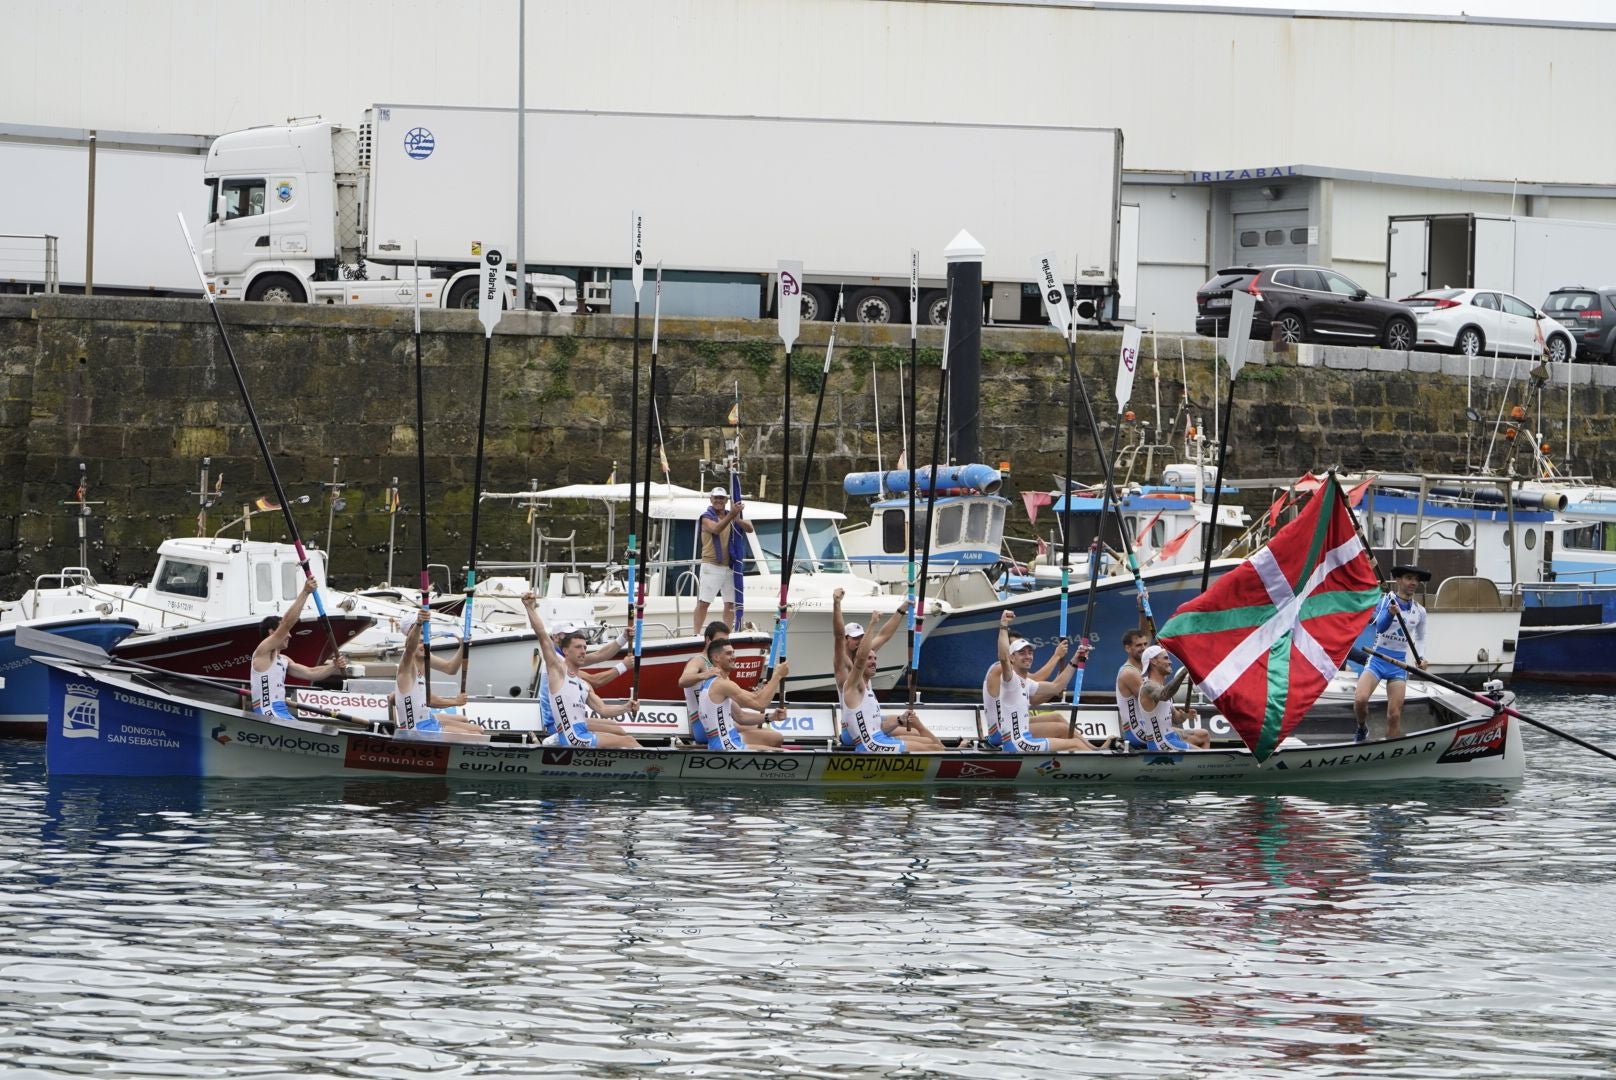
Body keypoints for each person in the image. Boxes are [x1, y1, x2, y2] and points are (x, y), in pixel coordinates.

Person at [522, 593, 644, 748]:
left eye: (585, 647)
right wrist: (530, 608)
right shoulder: (557, 668)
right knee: (628, 741)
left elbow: (603, 709)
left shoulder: (582, 683)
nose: (584, 651)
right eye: (578, 647)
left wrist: (626, 707)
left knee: (622, 734)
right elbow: (542, 635)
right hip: (571, 735)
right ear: (565, 650)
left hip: (580, 730)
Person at [983, 611, 1104, 752]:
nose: (1028, 656)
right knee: (1074, 743)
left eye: (1030, 652)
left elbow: (1057, 686)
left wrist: (1075, 660)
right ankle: (1103, 763)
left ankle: (1096, 752)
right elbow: (1004, 657)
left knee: (1060, 721)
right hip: (1009, 738)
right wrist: (1003, 626)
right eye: (1021, 652)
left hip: (1020, 735)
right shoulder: (1005, 673)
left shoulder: (1024, 682)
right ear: (1012, 656)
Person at [842, 605, 946, 753]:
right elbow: (860, 658)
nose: (874, 661)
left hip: (875, 734)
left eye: (875, 658)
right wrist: (872, 623)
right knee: (931, 749)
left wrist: (902, 609)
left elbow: (884, 636)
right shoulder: (850, 674)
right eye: (870, 659)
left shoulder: (866, 676)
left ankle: (947, 752)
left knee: (928, 742)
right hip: (864, 740)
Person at [250, 576, 348, 719]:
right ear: (272, 632)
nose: (290, 636)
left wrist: (333, 666)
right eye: (286, 633)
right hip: (267, 713)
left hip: (281, 712)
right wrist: (305, 592)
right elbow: (286, 624)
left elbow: (310, 672)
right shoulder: (263, 652)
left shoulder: (283, 660)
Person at [1353, 564, 1431, 741]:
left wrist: (1421, 657)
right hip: (1377, 659)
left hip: (1398, 664)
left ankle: (1390, 748)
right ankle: (1361, 727)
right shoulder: (1385, 601)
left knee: (1394, 715)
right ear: (1398, 580)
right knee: (1360, 699)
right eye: (1409, 578)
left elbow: (1420, 638)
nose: (1413, 583)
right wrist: (1389, 613)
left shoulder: (1420, 611)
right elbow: (1380, 627)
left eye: (1416, 580)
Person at [393, 612, 486, 735]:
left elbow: (450, 669)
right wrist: (455, 702)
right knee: (476, 735)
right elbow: (430, 700)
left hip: (426, 718)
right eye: (420, 642)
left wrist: (463, 647)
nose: (425, 646)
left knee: (473, 725)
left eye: (425, 641)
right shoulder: (407, 664)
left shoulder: (424, 657)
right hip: (418, 728)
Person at [1115, 634, 1212, 750]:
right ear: (1154, 662)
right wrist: (1186, 669)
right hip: (1160, 742)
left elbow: (1176, 719)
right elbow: (1165, 694)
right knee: (1202, 754)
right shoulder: (1148, 687)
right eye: (1166, 658)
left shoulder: (1159, 686)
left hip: (1168, 736)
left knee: (1204, 734)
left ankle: (1195, 767)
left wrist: (1184, 715)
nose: (1170, 662)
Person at [697, 639, 789, 750]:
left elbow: (741, 716)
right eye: (728, 653)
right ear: (716, 658)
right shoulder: (721, 684)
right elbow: (760, 703)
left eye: (733, 653)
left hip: (728, 739)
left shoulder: (718, 682)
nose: (734, 657)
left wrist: (771, 717)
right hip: (726, 746)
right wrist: (777, 676)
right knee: (784, 752)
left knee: (776, 738)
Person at [691, 487, 753, 635]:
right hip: (711, 565)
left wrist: (738, 520)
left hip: (730, 566)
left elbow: (750, 529)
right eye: (716, 498)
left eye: (722, 498)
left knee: (730, 603)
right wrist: (732, 515)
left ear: (726, 500)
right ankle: (696, 633)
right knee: (704, 602)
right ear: (711, 499)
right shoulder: (706, 517)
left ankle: (727, 634)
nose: (719, 500)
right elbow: (716, 529)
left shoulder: (731, 517)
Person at [831, 587, 910, 688]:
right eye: (855, 638)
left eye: (861, 637)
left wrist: (902, 610)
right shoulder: (841, 659)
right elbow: (838, 635)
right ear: (846, 639)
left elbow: (884, 636)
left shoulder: (864, 653)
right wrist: (836, 603)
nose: (860, 641)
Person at [679, 620, 732, 744]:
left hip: (721, 723)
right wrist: (705, 675)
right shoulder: (698, 660)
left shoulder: (718, 665)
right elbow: (682, 681)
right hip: (704, 728)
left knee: (765, 735)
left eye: (726, 641)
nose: (722, 645)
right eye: (719, 641)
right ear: (708, 640)